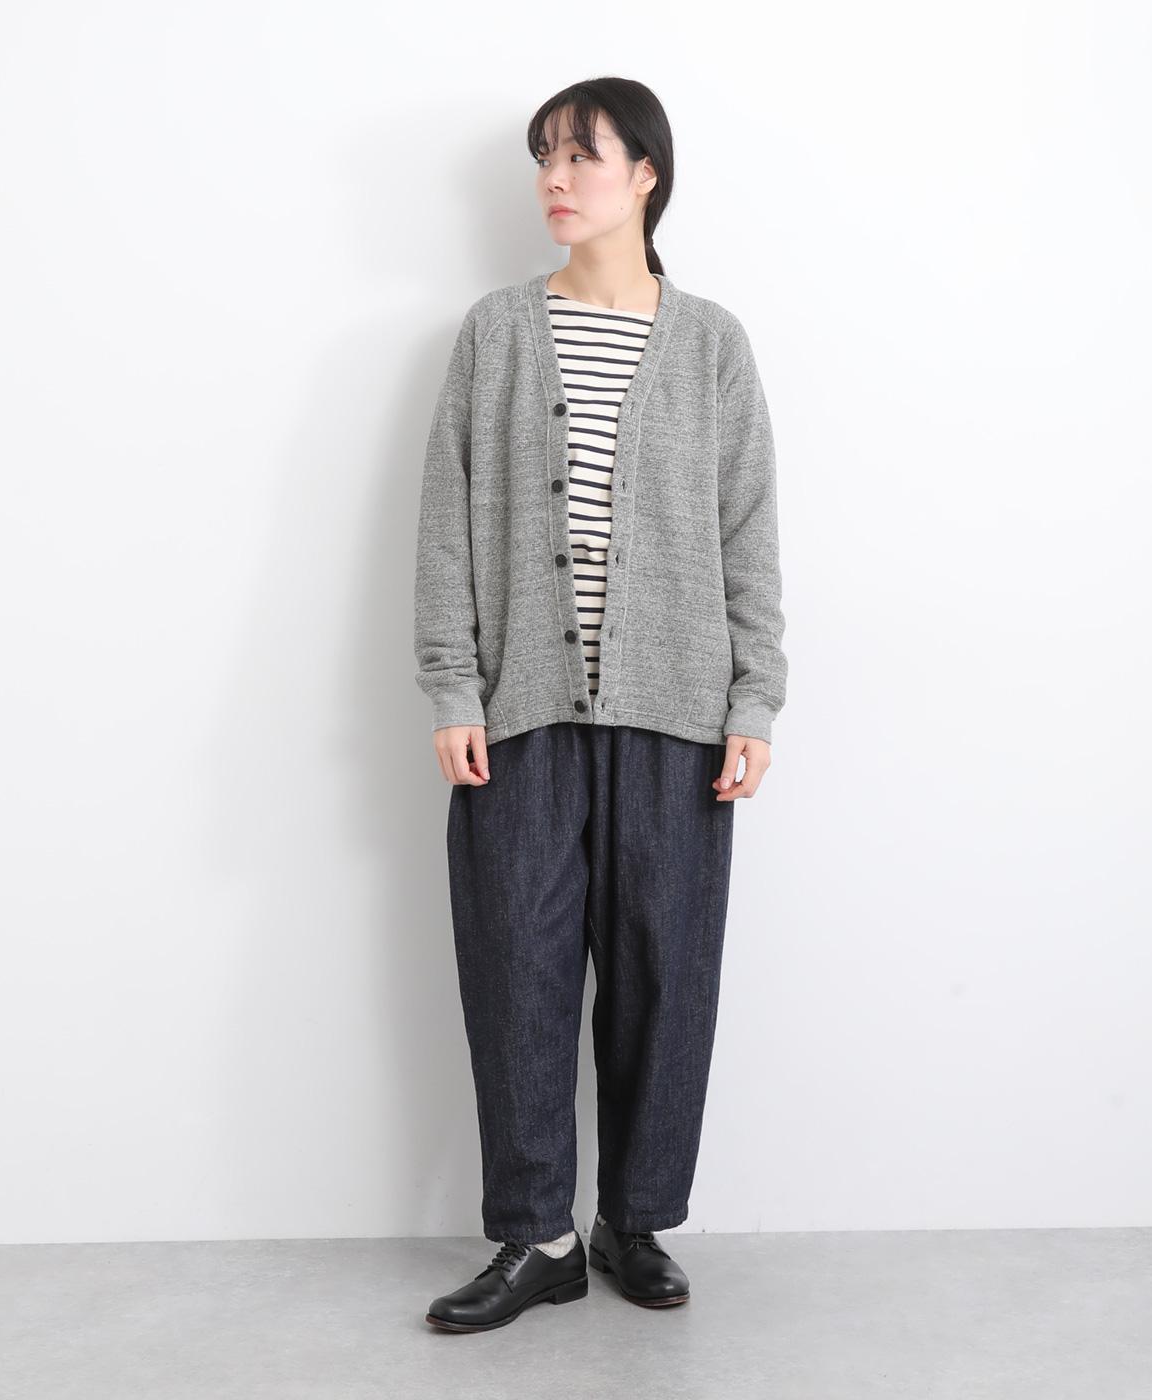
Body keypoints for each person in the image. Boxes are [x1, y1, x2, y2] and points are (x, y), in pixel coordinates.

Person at [413, 76, 788, 1333]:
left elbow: (748, 534)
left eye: (582, 155)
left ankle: (636, 1218)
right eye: (544, 157)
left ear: (646, 174)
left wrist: (755, 699)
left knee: (662, 974)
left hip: (680, 714)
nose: (555, 179)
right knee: (515, 968)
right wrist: (452, 680)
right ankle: (538, 1235)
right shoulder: (496, 332)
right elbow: (448, 521)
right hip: (519, 710)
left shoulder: (713, 342)